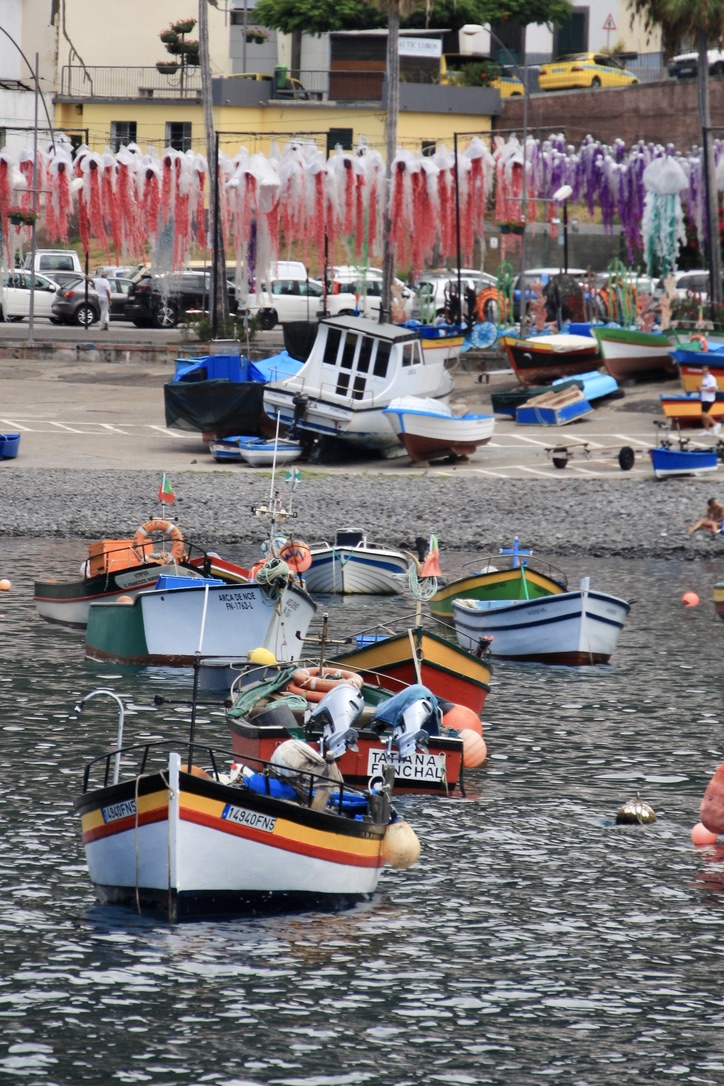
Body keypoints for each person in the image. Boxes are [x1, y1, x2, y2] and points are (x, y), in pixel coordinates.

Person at [699, 364, 721, 434]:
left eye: (705, 371)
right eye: (703, 371)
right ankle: (707, 430)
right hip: (704, 398)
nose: (704, 372)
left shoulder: (711, 378)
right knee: (705, 415)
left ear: (708, 371)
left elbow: (713, 388)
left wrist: (703, 389)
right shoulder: (704, 378)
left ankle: (715, 424)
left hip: (709, 398)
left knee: (704, 414)